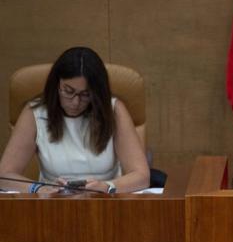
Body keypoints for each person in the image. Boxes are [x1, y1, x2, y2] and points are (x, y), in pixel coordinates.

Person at [0, 46, 149, 194]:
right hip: (53, 202)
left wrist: (107, 186)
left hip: (104, 201)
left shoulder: (113, 110)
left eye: (85, 94)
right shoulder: (35, 112)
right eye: (68, 91)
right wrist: (39, 188)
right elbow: (4, 176)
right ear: (56, 84)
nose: (75, 102)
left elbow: (141, 176)